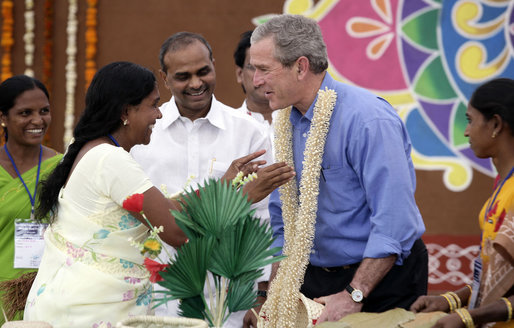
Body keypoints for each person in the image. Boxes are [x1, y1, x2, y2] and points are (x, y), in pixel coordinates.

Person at [23, 62, 262, 328]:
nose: (159, 115)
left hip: (73, 305)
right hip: (87, 313)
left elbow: (168, 207)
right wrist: (244, 198)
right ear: (126, 111)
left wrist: (225, 185)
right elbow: (176, 232)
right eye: (153, 105)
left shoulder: (93, 150)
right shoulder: (110, 159)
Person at [248, 14, 428, 326]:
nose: (255, 81)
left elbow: (395, 222)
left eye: (264, 69)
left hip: (381, 280)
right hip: (315, 279)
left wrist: (354, 293)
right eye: (254, 69)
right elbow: (283, 227)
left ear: (301, 67)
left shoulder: (368, 120)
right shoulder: (286, 123)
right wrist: (271, 300)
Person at [130, 31, 294, 328]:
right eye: (183, 76)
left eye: (203, 71)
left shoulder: (248, 134)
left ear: (214, 66)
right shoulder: (143, 136)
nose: (196, 83)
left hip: (227, 297)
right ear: (164, 78)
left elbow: (262, 219)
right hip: (152, 294)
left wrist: (259, 296)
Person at [411, 78, 514, 328]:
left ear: (496, 124)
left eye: (470, 120)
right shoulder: (502, 185)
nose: (466, 131)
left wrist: (470, 317)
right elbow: (494, 277)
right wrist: (451, 300)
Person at [0, 75, 62, 323]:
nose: (38, 120)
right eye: (25, 113)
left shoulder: (62, 167)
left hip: (46, 291)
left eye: (44, 111)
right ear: (3, 117)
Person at [233, 30, 275, 126]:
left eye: (269, 67)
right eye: (254, 67)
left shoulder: (302, 121)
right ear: (240, 74)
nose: (263, 77)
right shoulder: (230, 126)